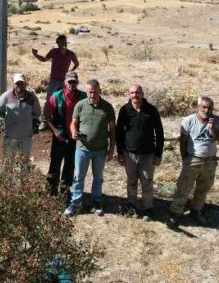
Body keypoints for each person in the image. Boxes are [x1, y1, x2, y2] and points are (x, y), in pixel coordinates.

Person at [168, 96, 219, 228]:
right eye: (204, 107)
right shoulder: (189, 121)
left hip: (210, 161)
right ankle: (175, 213)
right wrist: (185, 159)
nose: (206, 110)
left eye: (209, 108)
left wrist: (213, 129)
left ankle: (195, 210)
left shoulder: (217, 121)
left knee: (203, 188)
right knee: (184, 188)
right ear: (198, 107)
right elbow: (183, 142)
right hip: (193, 159)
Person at [65, 79, 115, 216]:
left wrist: (111, 150)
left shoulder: (107, 107)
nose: (92, 95)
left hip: (100, 150)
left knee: (98, 177)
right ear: (86, 91)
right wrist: (74, 131)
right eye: (89, 92)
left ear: (100, 90)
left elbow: (112, 130)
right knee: (78, 177)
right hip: (82, 149)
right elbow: (73, 123)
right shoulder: (80, 105)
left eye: (95, 92)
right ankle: (75, 203)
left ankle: (96, 201)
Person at [116, 84, 164, 220]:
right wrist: (119, 153)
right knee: (131, 181)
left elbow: (159, 133)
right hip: (129, 153)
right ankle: (131, 205)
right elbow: (119, 132)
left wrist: (159, 154)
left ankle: (148, 208)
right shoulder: (125, 110)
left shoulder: (151, 110)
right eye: (132, 93)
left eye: (137, 92)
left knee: (147, 181)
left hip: (148, 154)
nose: (135, 95)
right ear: (129, 95)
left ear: (142, 94)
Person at [43, 71, 83, 197]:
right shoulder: (56, 96)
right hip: (59, 137)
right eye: (69, 81)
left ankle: (65, 190)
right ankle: (51, 190)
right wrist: (55, 132)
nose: (72, 84)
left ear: (77, 82)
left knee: (70, 165)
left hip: (75, 138)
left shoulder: (83, 97)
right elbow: (47, 116)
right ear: (65, 82)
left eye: (74, 82)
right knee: (55, 164)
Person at [0, 73, 42, 162]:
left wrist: (28, 121)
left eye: (21, 83)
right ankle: (8, 177)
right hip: (10, 137)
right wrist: (2, 122)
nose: (19, 85)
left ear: (25, 83)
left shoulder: (32, 97)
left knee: (24, 164)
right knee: (8, 163)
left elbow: (37, 113)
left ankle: (22, 176)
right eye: (17, 83)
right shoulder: (5, 96)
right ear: (13, 84)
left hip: (26, 137)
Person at [32, 34, 79, 104]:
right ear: (58, 43)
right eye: (61, 42)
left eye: (64, 42)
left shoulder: (70, 54)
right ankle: (46, 114)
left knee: (63, 101)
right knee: (49, 100)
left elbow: (76, 63)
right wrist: (35, 55)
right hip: (53, 80)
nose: (63, 44)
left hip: (65, 81)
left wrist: (70, 71)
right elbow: (44, 59)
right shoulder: (54, 52)